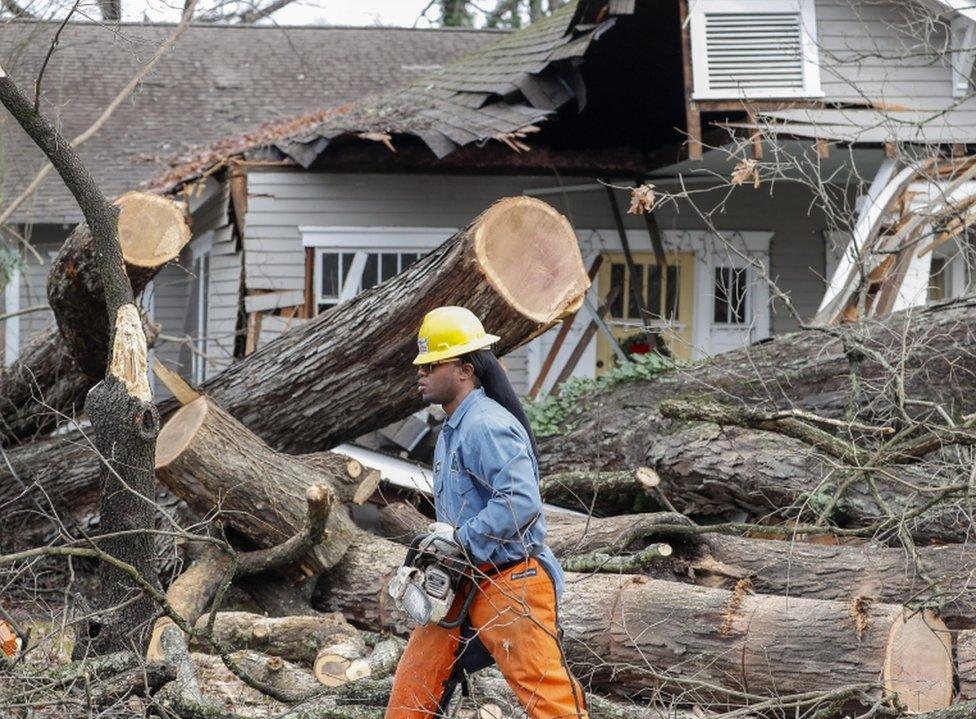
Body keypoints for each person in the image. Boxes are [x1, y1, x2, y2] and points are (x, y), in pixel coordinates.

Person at [386, 306, 588, 719]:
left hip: (511, 581)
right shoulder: (454, 427)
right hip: (463, 580)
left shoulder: (486, 425)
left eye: (431, 364)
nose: (420, 373)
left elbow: (520, 503)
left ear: (464, 370)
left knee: (549, 702)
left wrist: (462, 539)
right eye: (421, 365)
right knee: (413, 689)